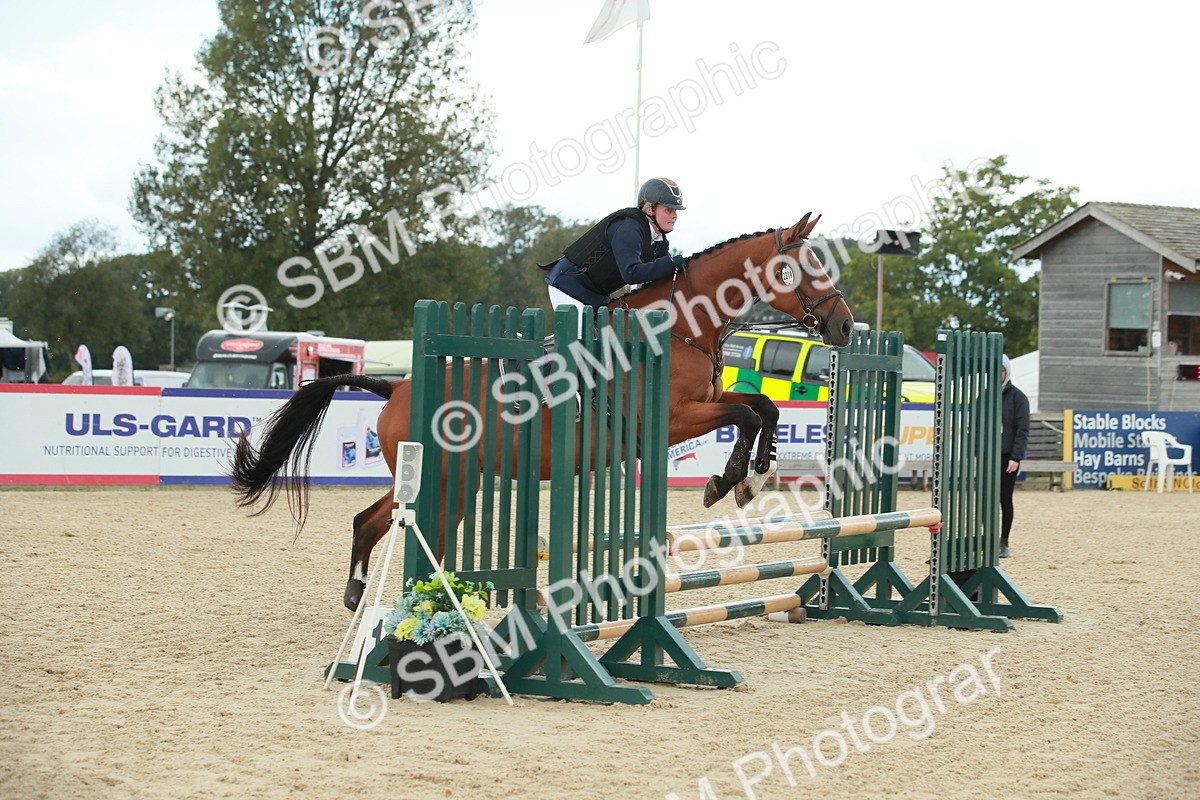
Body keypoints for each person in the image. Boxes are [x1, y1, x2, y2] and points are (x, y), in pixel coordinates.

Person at [541, 177, 687, 324]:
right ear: (650, 210)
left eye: (675, 210)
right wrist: (672, 263)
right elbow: (631, 273)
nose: (674, 216)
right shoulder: (628, 229)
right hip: (568, 286)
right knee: (580, 337)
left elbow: (662, 275)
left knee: (611, 334)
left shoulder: (659, 241)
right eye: (668, 210)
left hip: (597, 295)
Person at [999, 354, 1030, 558]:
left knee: (1005, 499)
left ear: (1007, 372)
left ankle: (1004, 542)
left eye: (1001, 371)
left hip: (1007, 457)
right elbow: (974, 426)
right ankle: (986, 538)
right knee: (986, 501)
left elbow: (1022, 430)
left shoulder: (1018, 398)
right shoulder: (984, 396)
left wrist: (1016, 457)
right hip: (988, 457)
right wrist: (975, 452)